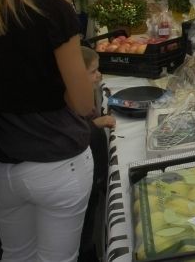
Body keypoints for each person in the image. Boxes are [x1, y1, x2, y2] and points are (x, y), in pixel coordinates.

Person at [0, 0, 95, 261]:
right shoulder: (52, 11)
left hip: (4, 165)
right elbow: (83, 103)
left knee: (15, 254)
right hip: (56, 163)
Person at [78, 46, 115, 262]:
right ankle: (86, 253)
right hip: (88, 181)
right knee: (86, 224)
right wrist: (96, 124)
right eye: (93, 71)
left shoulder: (84, 97)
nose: (99, 75)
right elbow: (77, 132)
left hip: (94, 176)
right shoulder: (74, 104)